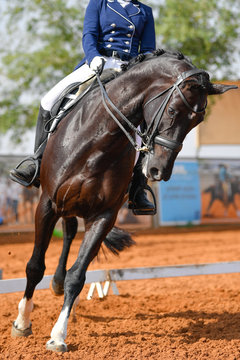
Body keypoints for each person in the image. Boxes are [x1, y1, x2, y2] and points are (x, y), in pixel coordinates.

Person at [10, 0, 156, 214]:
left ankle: (138, 187)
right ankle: (37, 162)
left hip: (129, 71)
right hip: (99, 62)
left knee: (148, 122)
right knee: (48, 101)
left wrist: (140, 70)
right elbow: (88, 34)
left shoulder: (144, 11)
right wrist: (94, 56)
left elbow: (149, 50)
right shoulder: (99, 3)